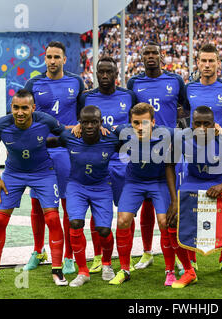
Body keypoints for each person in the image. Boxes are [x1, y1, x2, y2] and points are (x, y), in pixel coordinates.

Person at [0, 89, 67, 286]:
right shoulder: (0, 125)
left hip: (43, 173)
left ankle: (58, 270)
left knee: (52, 218)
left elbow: (66, 134)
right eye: (16, 108)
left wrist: (79, 129)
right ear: (11, 107)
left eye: (24, 108)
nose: (20, 112)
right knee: (0, 220)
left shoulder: (45, 120)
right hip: (13, 174)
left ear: (33, 108)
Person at [23, 41, 85, 274]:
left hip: (66, 152)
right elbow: (25, 117)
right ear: (44, 58)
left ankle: (69, 256)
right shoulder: (33, 83)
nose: (52, 61)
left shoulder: (76, 82)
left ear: (64, 59)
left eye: (56, 57)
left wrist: (72, 131)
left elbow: (82, 118)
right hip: (41, 152)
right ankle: (39, 251)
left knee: (69, 204)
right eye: (48, 57)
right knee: (38, 204)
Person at [165, 106, 222, 288]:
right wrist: (174, 201)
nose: (201, 128)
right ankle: (189, 270)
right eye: (197, 124)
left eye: (206, 124)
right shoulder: (182, 138)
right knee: (172, 221)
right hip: (194, 180)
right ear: (191, 124)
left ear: (213, 124)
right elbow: (169, 166)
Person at [182, 42, 222, 275]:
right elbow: (182, 113)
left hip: (221, 155)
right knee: (189, 211)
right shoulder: (188, 88)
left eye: (211, 61)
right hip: (194, 156)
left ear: (219, 63)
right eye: (203, 61)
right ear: (197, 63)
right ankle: (191, 260)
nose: (207, 65)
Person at [46, 105, 121, 286]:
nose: (89, 126)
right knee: (75, 222)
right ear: (79, 123)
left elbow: (134, 141)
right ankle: (82, 271)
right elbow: (49, 140)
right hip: (76, 186)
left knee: (103, 230)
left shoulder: (111, 138)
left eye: (94, 122)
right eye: (85, 122)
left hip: (101, 186)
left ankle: (107, 264)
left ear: (100, 123)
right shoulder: (70, 137)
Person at [127, 41, 186, 270]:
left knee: (174, 203)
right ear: (142, 57)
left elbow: (186, 107)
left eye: (154, 52)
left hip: (169, 151)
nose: (150, 56)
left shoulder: (175, 80)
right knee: (146, 204)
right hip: (142, 150)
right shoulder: (134, 83)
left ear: (161, 56)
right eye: (146, 53)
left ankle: (182, 256)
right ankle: (147, 252)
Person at [78, 56, 137, 276]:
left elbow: (136, 123)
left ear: (116, 74)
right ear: (95, 74)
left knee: (126, 213)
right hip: (95, 163)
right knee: (97, 213)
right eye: (100, 72)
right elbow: (80, 125)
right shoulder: (86, 98)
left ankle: (126, 258)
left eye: (108, 72)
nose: (104, 76)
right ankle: (98, 257)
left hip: (123, 161)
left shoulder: (128, 96)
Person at [108, 103, 177, 286]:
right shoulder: (124, 131)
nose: (140, 127)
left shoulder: (167, 133)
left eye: (144, 123)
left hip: (159, 182)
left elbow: (193, 132)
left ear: (153, 122)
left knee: (164, 222)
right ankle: (124, 269)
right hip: (134, 182)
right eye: (136, 123)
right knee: (122, 220)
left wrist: (215, 129)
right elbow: (103, 127)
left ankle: (170, 271)